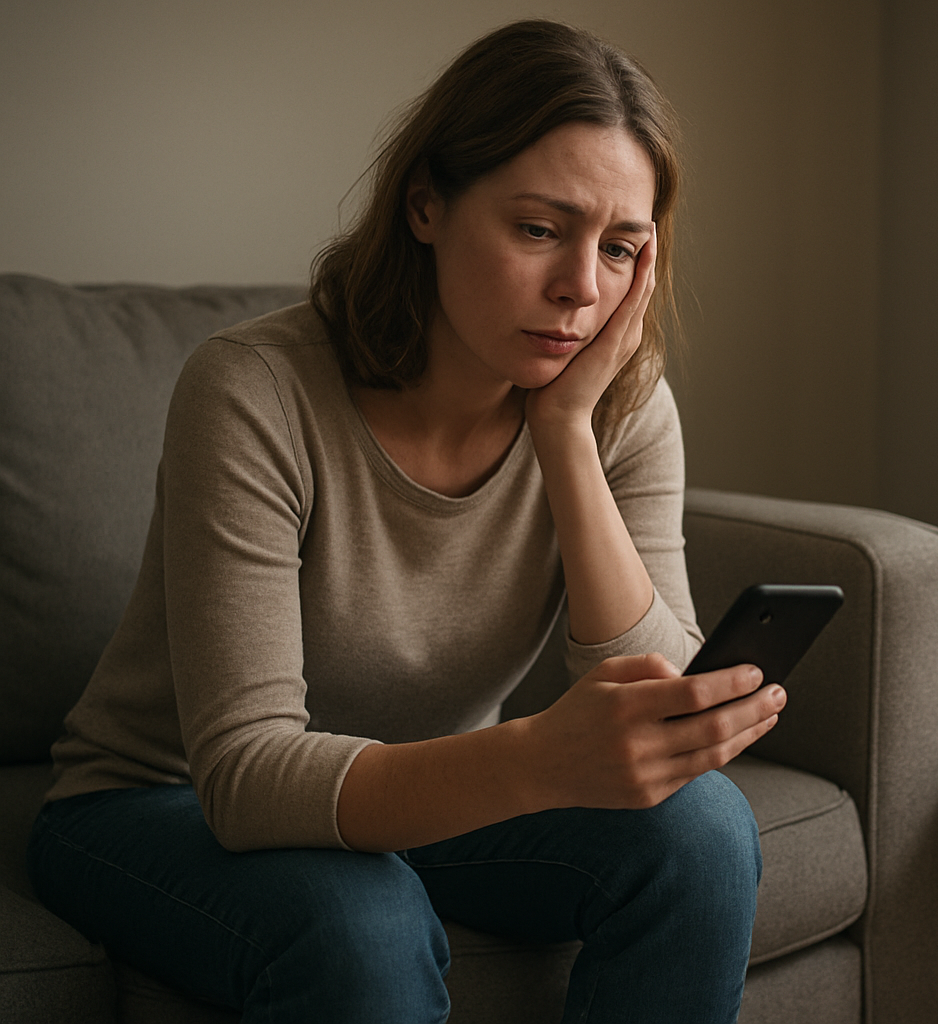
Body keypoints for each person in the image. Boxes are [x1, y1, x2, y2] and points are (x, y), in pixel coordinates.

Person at [26, 21, 783, 1024]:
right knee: (362, 923)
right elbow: (245, 778)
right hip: (158, 799)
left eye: (619, 248)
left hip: (433, 794)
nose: (582, 287)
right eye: (539, 230)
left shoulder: (619, 407)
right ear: (425, 204)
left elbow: (660, 715)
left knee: (703, 832)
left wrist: (564, 433)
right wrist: (533, 758)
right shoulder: (253, 391)